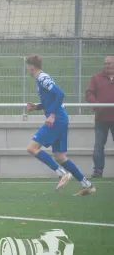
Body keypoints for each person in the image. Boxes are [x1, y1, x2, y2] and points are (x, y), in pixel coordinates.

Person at [25, 55, 96, 196]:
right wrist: (36, 107)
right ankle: (88, 185)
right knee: (60, 157)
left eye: (27, 66)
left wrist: (52, 115)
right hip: (60, 118)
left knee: (32, 148)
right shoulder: (41, 78)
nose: (26, 69)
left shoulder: (42, 78)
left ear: (31, 66)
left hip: (57, 118)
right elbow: (51, 99)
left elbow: (60, 94)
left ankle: (62, 173)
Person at [85, 56, 114, 178]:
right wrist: (96, 103)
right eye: (105, 63)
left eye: (109, 63)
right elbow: (89, 94)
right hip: (101, 118)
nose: (107, 65)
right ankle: (98, 171)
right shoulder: (96, 78)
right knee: (98, 145)